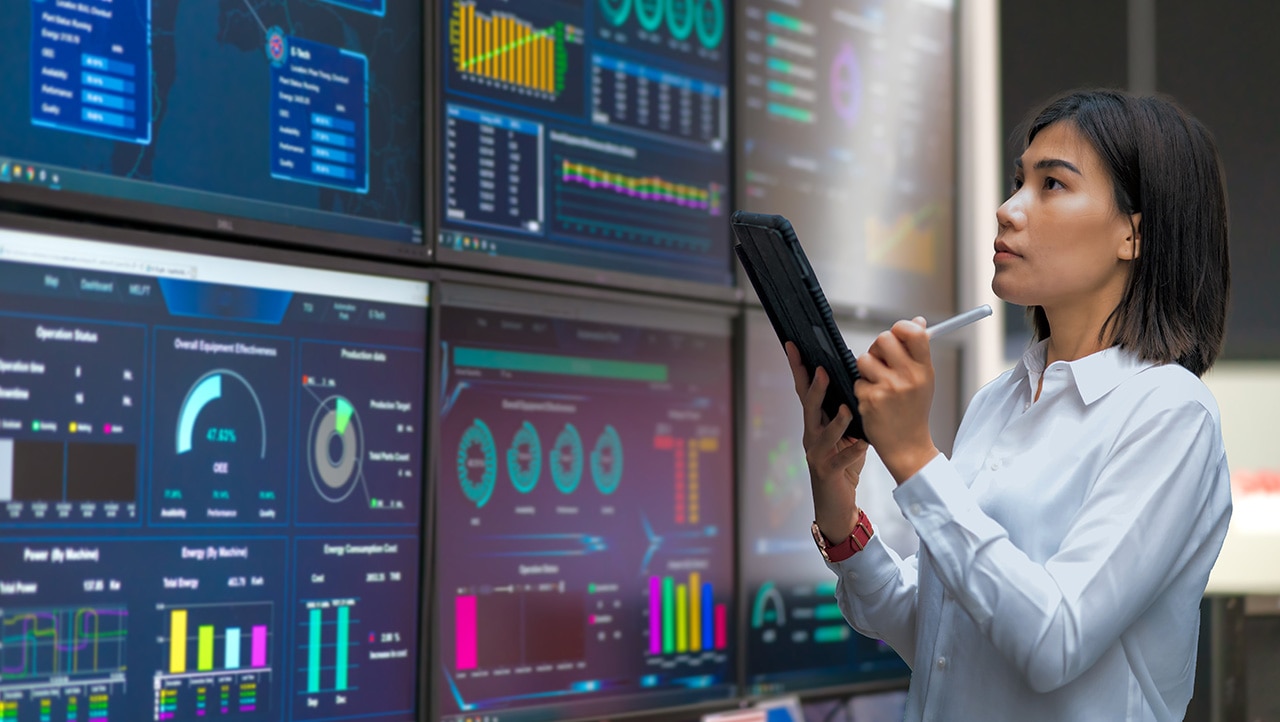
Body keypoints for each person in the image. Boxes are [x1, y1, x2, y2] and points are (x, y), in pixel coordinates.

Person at [787, 88, 1232, 721]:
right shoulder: (1000, 399)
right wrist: (838, 505)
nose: (1007, 209)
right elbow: (937, 639)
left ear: (1133, 234)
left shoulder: (1170, 413)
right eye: (1018, 181)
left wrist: (915, 458)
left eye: (1052, 185)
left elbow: (1054, 642)